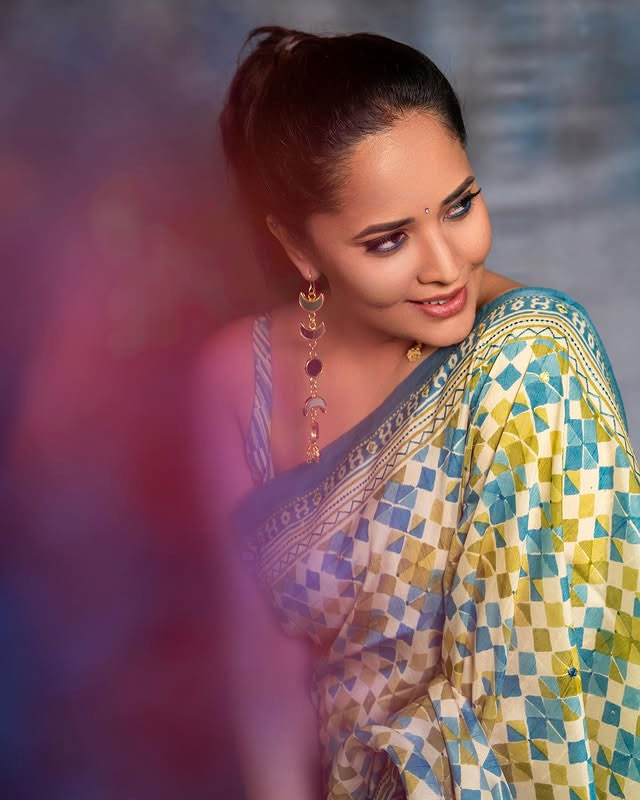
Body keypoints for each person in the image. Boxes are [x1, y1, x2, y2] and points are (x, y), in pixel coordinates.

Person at [192, 26, 640, 800]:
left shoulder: (533, 358)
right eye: (389, 240)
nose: (446, 264)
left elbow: (573, 680)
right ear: (300, 249)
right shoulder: (236, 381)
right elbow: (264, 684)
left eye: (460, 206)